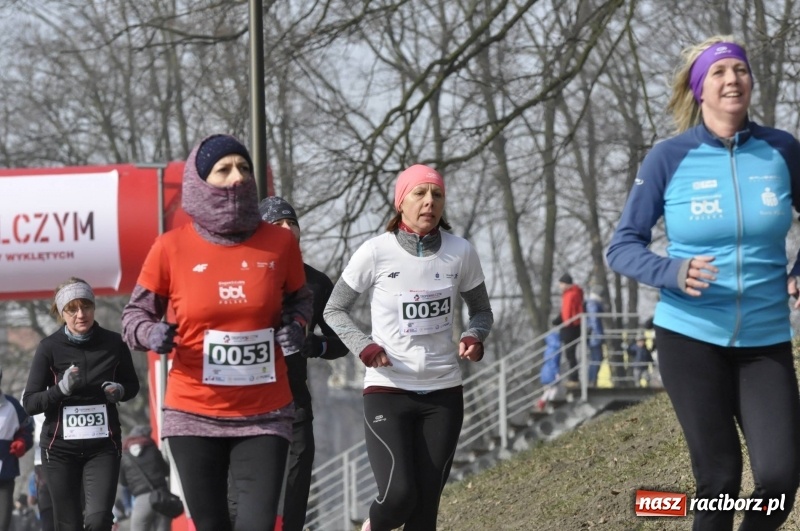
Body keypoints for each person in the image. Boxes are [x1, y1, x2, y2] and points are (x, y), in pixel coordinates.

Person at [606, 35, 800, 530]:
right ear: (699, 90)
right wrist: (671, 271)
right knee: (719, 478)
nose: (732, 79)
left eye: (740, 70)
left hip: (766, 340)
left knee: (780, 480)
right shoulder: (669, 158)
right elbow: (622, 245)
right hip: (690, 337)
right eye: (718, 72)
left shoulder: (781, 151)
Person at [121, 134, 313, 531]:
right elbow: (134, 315)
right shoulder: (170, 247)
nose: (236, 177)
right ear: (200, 180)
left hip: (265, 411)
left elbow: (301, 300)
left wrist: (297, 327)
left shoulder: (279, 243)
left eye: (243, 168)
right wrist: (151, 333)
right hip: (193, 413)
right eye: (223, 169)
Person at [323, 163, 493, 531]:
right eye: (419, 193)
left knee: (424, 510)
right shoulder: (375, 252)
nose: (429, 202)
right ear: (401, 202)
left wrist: (474, 337)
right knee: (399, 496)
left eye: (437, 195)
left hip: (443, 392)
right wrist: (364, 347)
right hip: (389, 389)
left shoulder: (460, 252)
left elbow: (481, 311)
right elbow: (333, 309)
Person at [257, 196, 348, 531]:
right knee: (244, 503)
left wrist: (316, 345)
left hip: (295, 406)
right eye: (277, 223)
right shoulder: (244, 278)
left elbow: (342, 342)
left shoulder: (316, 282)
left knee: (294, 500)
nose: (286, 228)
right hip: (249, 409)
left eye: (291, 222)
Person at [22, 277, 140, 531]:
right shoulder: (48, 348)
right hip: (60, 449)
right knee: (69, 523)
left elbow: (132, 386)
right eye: (72, 309)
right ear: (61, 313)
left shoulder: (114, 343)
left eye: (85, 306)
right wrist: (60, 389)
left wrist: (119, 391)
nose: (80, 314)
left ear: (93, 307)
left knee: (98, 519)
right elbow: (30, 403)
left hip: (103, 447)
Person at [119, 425, 171, 531]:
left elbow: (123, 483)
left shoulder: (124, 455)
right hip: (162, 496)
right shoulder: (152, 447)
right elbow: (166, 471)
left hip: (142, 500)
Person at [0, 367, 33, 531]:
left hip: (4, 478)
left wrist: (22, 442)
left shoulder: (12, 406)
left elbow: (27, 430)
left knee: (2, 524)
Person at [552, 273, 584, 384]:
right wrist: (559, 320)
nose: (560, 286)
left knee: (570, 353)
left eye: (561, 283)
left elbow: (572, 311)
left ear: (566, 284)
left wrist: (567, 321)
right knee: (570, 353)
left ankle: (574, 378)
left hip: (571, 327)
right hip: (570, 326)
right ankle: (573, 377)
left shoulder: (571, 294)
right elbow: (565, 312)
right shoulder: (569, 294)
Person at [584, 285, 605, 386]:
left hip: (594, 336)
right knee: (596, 358)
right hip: (594, 336)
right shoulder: (593, 304)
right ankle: (592, 380)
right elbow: (594, 321)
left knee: (596, 358)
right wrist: (599, 335)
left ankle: (592, 380)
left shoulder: (592, 303)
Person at [536, 330, 562, 412]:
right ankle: (551, 403)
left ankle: (541, 403)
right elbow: (553, 363)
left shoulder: (548, 348)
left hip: (544, 372)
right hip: (551, 372)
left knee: (548, 390)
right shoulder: (555, 349)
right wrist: (556, 373)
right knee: (554, 389)